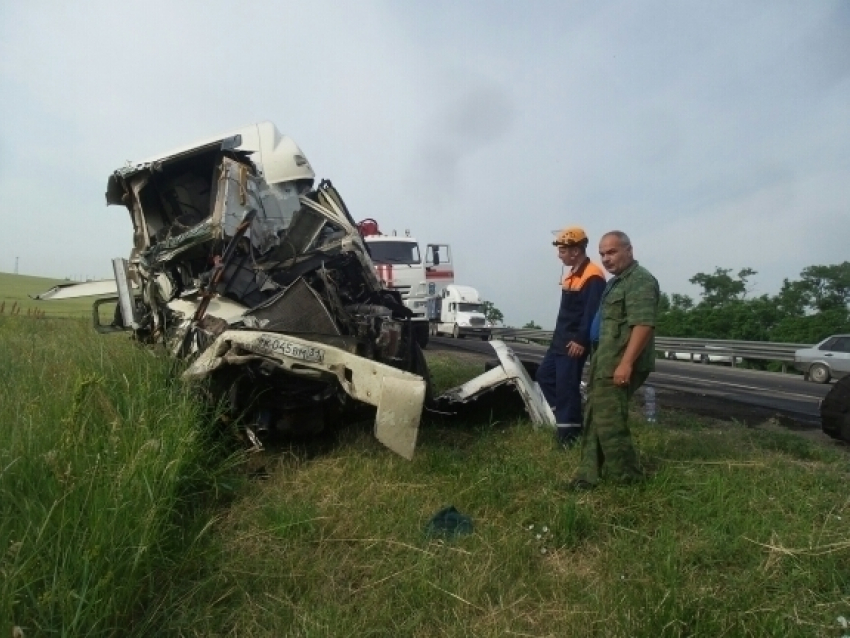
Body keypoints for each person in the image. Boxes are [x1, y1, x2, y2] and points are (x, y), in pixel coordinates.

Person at [569, 230, 659, 490]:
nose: (606, 259)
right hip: (604, 360)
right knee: (594, 418)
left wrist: (626, 363)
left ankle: (628, 481)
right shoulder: (615, 283)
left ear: (629, 250)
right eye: (602, 254)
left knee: (610, 423)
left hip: (619, 362)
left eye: (612, 252)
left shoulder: (640, 280)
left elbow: (643, 325)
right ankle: (587, 477)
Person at [536, 226, 606, 447]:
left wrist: (581, 340)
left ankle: (569, 438)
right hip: (559, 341)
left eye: (563, 251)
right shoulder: (573, 273)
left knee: (567, 387)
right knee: (544, 376)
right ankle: (568, 419)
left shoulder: (592, 276)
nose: (559, 255)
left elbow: (592, 313)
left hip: (573, 343)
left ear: (575, 250)